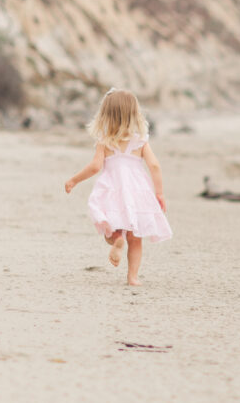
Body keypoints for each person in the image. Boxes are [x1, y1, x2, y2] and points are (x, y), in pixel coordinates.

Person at [64, 88, 171, 285]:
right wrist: (160, 193)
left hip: (112, 188)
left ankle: (116, 240)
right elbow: (154, 165)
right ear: (134, 114)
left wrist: (74, 180)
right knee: (135, 237)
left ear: (105, 115)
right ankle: (132, 277)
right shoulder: (140, 140)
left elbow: (95, 166)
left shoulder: (104, 141)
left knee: (110, 227)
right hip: (136, 190)